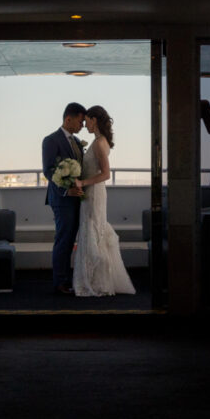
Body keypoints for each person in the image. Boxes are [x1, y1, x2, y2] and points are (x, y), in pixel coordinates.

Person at [72, 105, 136, 297]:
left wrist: (82, 181)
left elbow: (106, 174)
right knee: (91, 229)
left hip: (94, 192)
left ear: (95, 120)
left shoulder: (100, 143)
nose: (85, 125)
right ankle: (93, 277)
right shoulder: (99, 141)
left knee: (93, 229)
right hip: (92, 191)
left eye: (87, 121)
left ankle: (95, 280)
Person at [41, 102, 87, 295]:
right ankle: (60, 282)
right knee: (64, 240)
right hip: (62, 199)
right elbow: (49, 171)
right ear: (68, 119)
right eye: (80, 121)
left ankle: (70, 279)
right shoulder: (51, 140)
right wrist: (67, 191)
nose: (82, 125)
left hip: (78, 199)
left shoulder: (77, 142)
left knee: (72, 240)